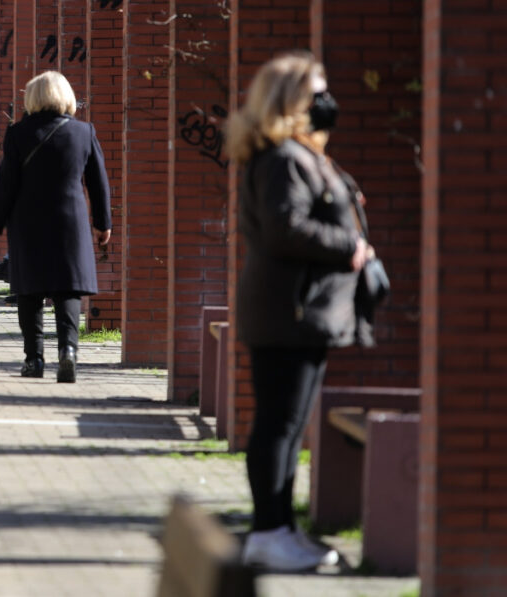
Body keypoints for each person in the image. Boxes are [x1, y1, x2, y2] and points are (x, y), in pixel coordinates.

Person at [225, 52, 374, 571]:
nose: (327, 102)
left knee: (285, 423)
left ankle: (280, 528)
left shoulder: (292, 154)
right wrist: (348, 246)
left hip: (296, 310)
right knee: (279, 424)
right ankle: (270, 530)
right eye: (317, 93)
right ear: (290, 100)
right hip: (289, 311)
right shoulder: (285, 158)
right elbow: (286, 227)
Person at [0, 71, 111, 383]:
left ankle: (34, 360)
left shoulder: (18, 134)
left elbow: (5, 184)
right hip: (72, 221)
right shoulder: (84, 132)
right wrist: (102, 223)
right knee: (68, 289)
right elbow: (98, 182)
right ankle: (68, 351)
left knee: (30, 290)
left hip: (28, 221)